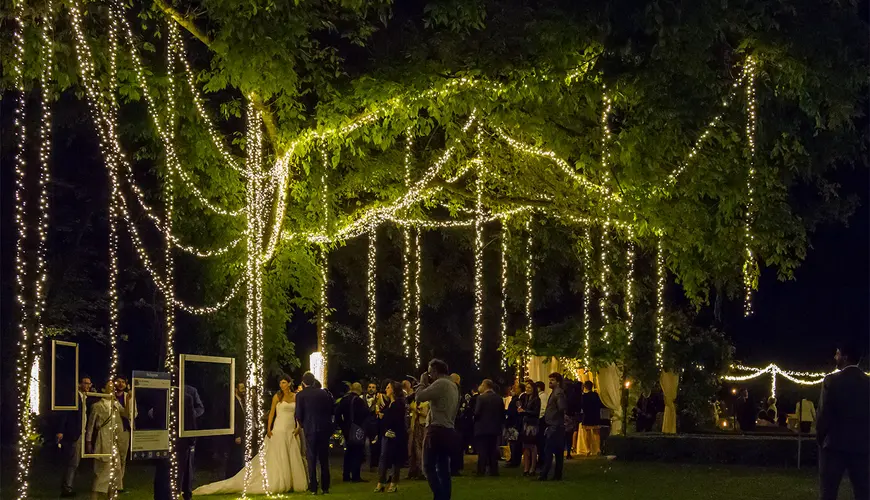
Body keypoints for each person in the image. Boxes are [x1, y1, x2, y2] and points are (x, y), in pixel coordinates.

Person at [193, 375, 307, 494]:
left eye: (283, 383)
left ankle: (293, 480)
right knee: (279, 455)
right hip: (279, 428)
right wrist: (268, 428)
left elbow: (298, 414)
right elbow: (272, 414)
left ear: (289, 383)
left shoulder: (296, 397)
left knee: (292, 455)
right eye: (280, 383)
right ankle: (279, 479)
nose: (281, 385)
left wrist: (298, 426)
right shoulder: (277, 397)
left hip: (290, 428)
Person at [816, 342, 869, 500]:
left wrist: (821, 439)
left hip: (834, 445)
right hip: (861, 446)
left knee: (828, 492)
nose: (835, 357)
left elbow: (823, 413)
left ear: (845, 357)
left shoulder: (831, 381)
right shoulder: (867, 383)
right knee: (863, 492)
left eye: (837, 354)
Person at [417, 359, 460, 500]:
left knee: (427, 466)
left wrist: (422, 382)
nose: (429, 376)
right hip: (448, 429)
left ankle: (439, 496)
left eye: (430, 373)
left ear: (435, 372)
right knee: (443, 468)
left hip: (436, 429)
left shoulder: (440, 383)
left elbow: (419, 396)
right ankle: (445, 496)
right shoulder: (453, 385)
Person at [295, 371, 336, 495]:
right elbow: (331, 409)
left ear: (303, 382)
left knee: (311, 458)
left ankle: (313, 487)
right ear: (313, 381)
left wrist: (303, 424)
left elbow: (299, 414)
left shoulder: (301, 395)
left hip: (310, 428)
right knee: (324, 458)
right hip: (324, 428)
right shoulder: (324, 393)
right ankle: (325, 487)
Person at [86, 381, 126, 500]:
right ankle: (95, 496)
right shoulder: (97, 406)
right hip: (103, 437)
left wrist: (129, 399)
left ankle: (112, 495)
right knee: (102, 470)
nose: (112, 388)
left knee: (116, 468)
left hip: (114, 439)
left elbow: (126, 413)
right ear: (103, 389)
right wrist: (88, 441)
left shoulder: (116, 403)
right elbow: (90, 425)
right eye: (109, 386)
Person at [59, 375, 92, 497]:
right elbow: (66, 413)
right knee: (72, 462)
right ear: (79, 384)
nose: (88, 386)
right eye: (85, 383)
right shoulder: (74, 397)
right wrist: (61, 430)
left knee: (74, 461)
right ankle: (67, 488)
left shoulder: (84, 397)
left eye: (89, 383)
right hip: (74, 433)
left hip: (80, 432)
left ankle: (68, 486)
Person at [374, 380, 408, 493]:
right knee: (384, 457)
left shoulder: (398, 404)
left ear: (393, 390)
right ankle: (381, 481)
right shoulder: (389, 404)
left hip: (395, 435)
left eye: (388, 387)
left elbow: (396, 420)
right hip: (386, 434)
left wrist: (385, 419)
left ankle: (393, 482)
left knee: (395, 459)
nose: (386, 389)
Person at [336, 382, 368, 483]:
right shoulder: (359, 401)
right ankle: (355, 475)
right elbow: (365, 415)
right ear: (359, 389)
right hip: (357, 429)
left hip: (347, 429)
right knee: (357, 452)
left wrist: (343, 425)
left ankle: (346, 475)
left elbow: (337, 415)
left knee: (348, 452)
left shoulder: (344, 400)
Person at [539, 373, 567, 481]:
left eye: (553, 380)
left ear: (558, 382)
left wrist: (555, 417)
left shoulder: (558, 393)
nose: (550, 382)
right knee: (558, 452)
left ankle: (544, 474)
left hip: (555, 426)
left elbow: (562, 407)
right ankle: (556, 475)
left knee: (549, 451)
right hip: (555, 425)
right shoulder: (555, 392)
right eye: (550, 379)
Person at [473, 379, 503, 477]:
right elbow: (502, 414)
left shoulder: (481, 398)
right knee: (493, 450)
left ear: (485, 386)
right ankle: (494, 470)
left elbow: (477, 412)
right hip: (494, 428)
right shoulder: (499, 398)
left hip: (482, 428)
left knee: (482, 450)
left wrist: (475, 420)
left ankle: (481, 470)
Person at [407, 373, 430, 480]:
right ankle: (413, 470)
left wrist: (416, 410)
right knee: (413, 449)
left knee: (420, 448)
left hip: (422, 424)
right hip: (415, 424)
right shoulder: (416, 399)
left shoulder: (428, 399)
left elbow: (426, 413)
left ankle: (422, 471)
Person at [113, 376, 132, 492]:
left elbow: (132, 414)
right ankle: (114, 483)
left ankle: (119, 483)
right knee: (114, 458)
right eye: (118, 382)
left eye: (123, 382)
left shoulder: (128, 397)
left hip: (125, 430)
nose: (120, 384)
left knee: (122, 458)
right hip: (112, 431)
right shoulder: (110, 396)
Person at [518, 381, 541, 476]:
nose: (527, 389)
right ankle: (526, 467)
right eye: (526, 387)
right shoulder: (526, 398)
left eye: (529, 388)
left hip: (532, 424)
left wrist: (525, 411)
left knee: (532, 446)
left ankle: (532, 467)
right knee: (525, 446)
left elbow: (536, 412)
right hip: (526, 423)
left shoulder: (536, 399)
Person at [226, 382, 246, 478]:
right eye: (242, 388)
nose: (244, 390)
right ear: (236, 390)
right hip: (236, 435)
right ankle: (232, 476)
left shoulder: (242, 401)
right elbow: (233, 419)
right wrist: (237, 435)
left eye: (244, 388)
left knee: (239, 456)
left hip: (242, 433)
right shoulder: (233, 402)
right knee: (234, 457)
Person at [365, 382, 385, 471]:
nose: (371, 389)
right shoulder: (362, 398)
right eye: (369, 387)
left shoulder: (379, 399)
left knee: (375, 445)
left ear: (376, 389)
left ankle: (374, 465)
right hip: (364, 424)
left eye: (373, 387)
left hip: (374, 425)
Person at [580, 381, 602, 456]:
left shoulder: (584, 396)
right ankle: (598, 448)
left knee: (587, 433)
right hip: (595, 415)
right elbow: (599, 404)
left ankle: (588, 449)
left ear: (585, 387)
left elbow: (582, 406)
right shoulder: (596, 395)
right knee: (596, 432)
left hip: (587, 415)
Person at [503, 383, 522, 469]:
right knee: (512, 442)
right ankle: (512, 459)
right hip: (511, 423)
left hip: (514, 423)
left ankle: (515, 460)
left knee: (514, 443)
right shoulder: (514, 399)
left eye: (515, 389)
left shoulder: (517, 400)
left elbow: (515, 412)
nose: (512, 391)